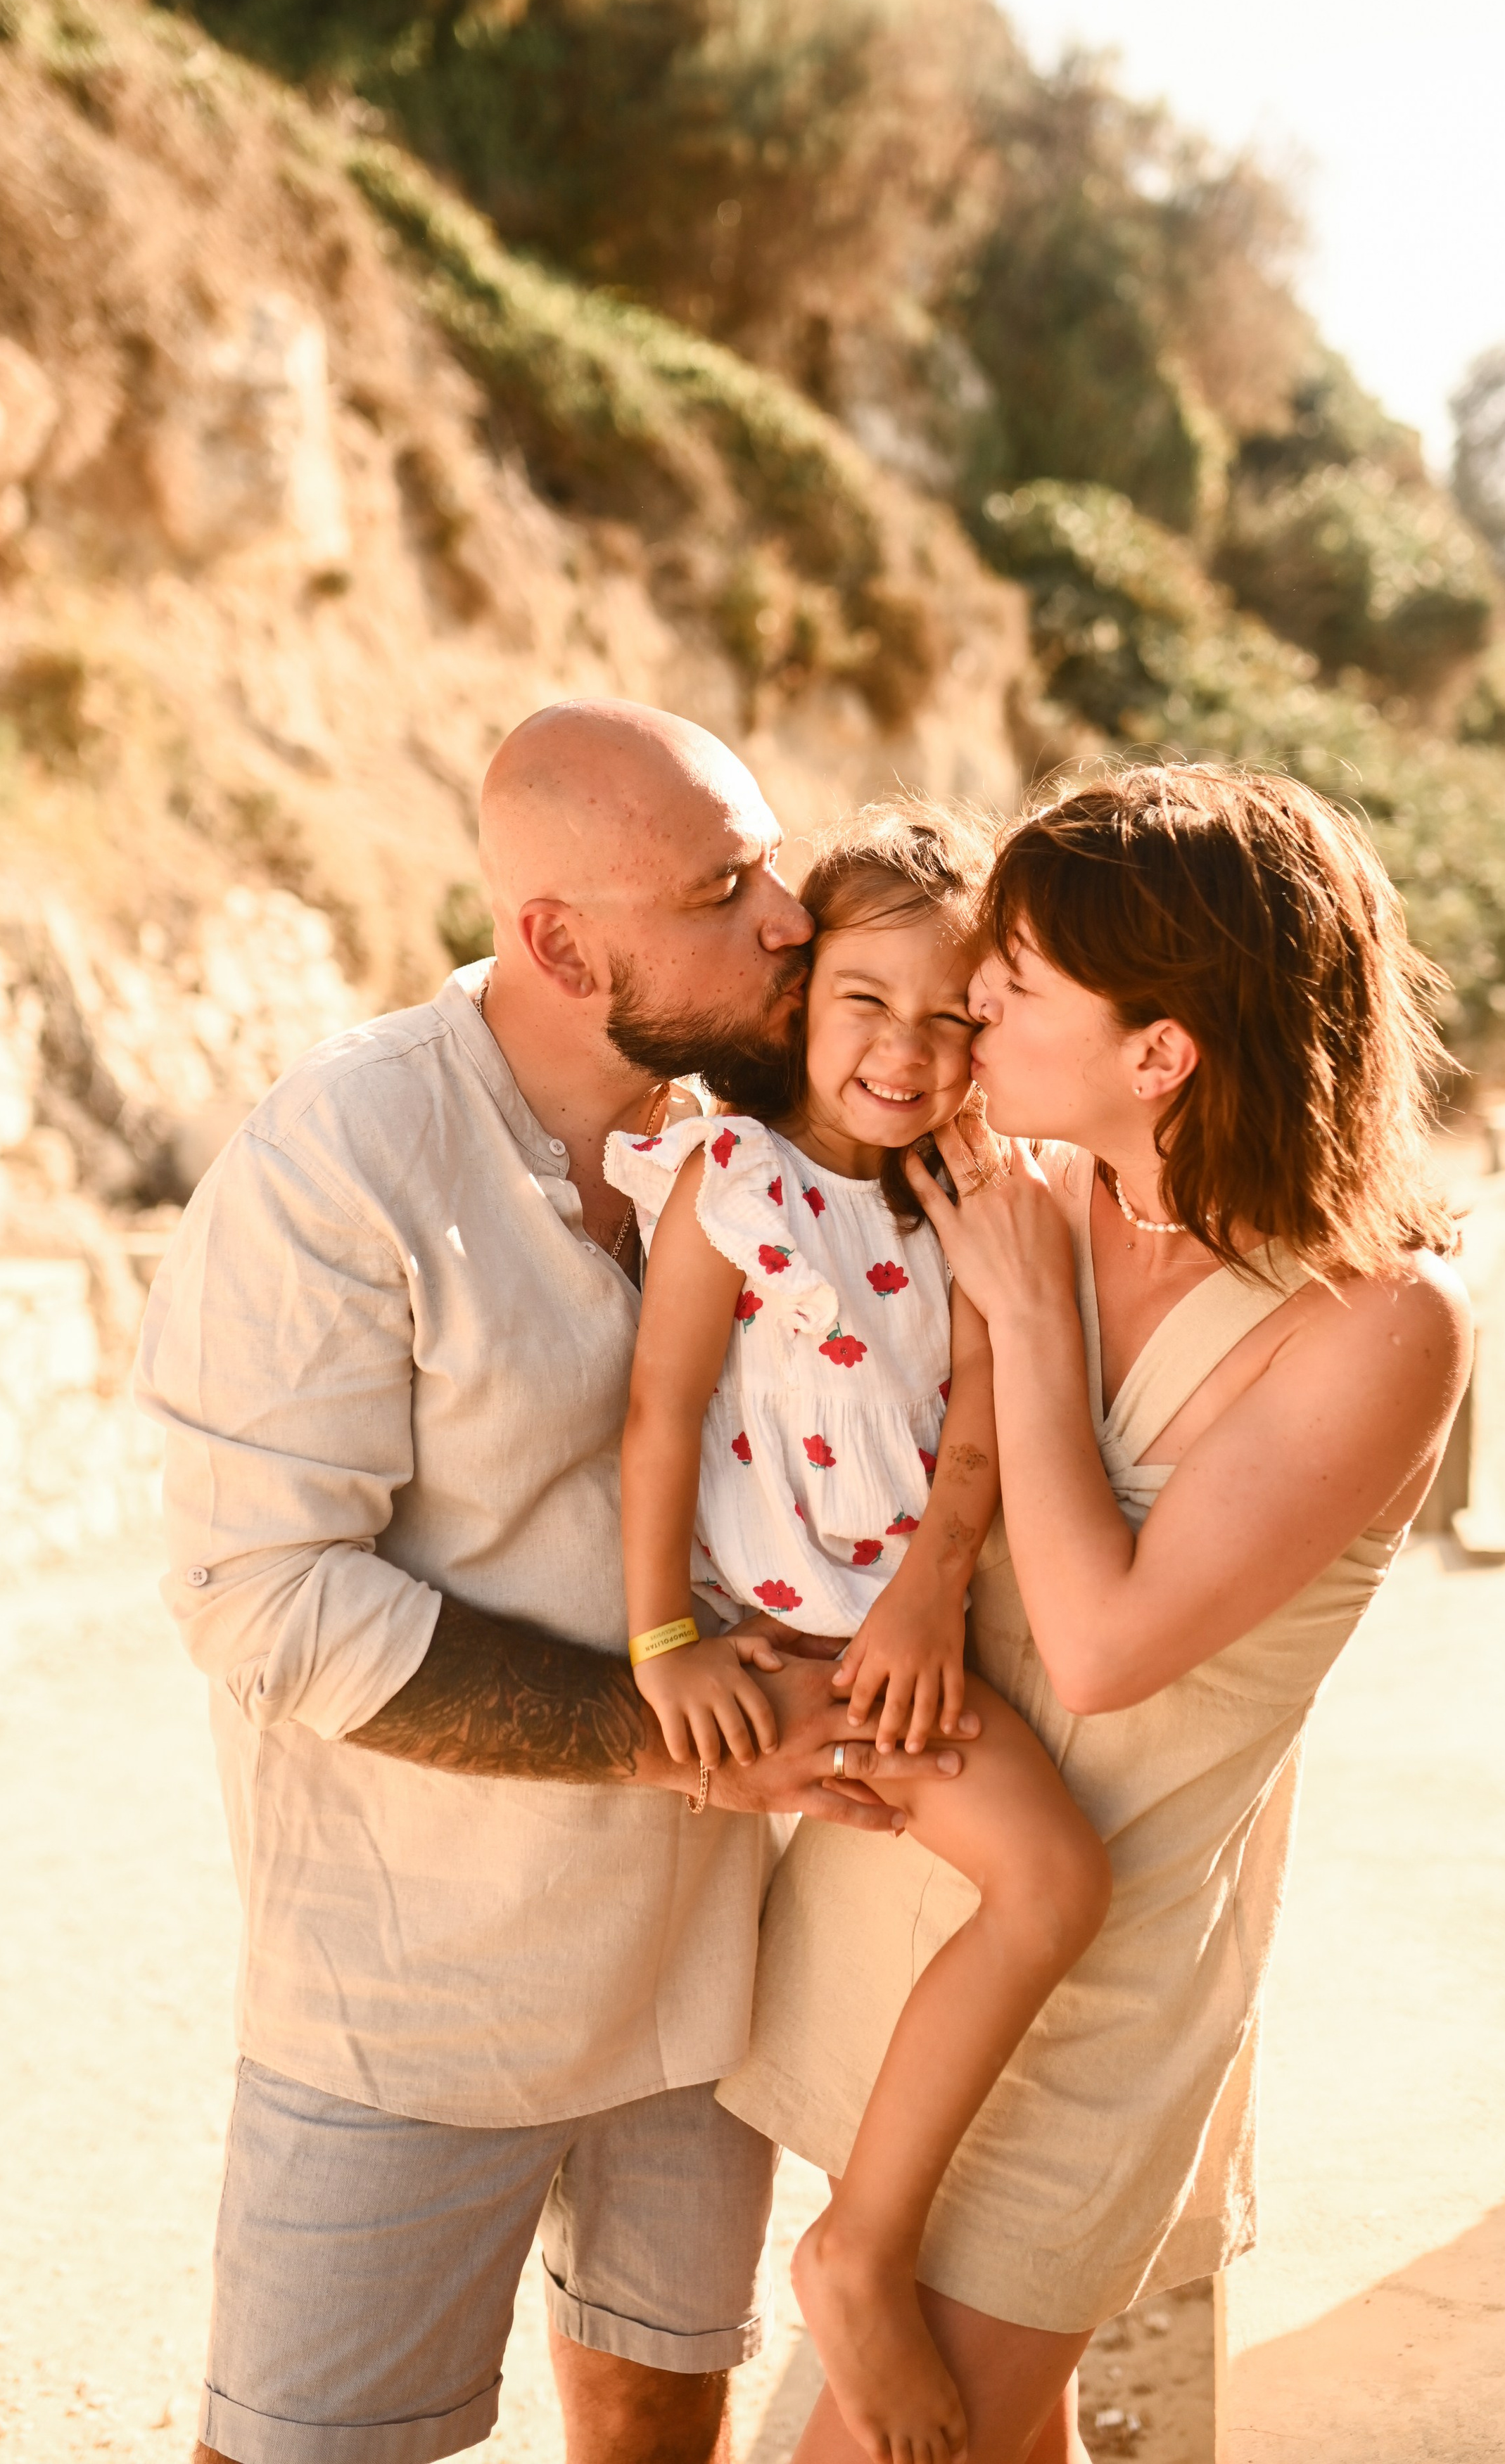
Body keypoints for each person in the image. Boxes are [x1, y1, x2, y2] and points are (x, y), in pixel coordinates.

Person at [136, 701, 968, 2464]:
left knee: (664, 2427)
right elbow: (261, 1598)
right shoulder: (338, 1161)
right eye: (723, 887)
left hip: (698, 1985)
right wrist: (664, 1735)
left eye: (769, 864)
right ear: (561, 942)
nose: (785, 921)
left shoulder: (777, 1121)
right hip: (410, 1998)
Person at [716, 762, 1473, 2464]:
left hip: (1100, 1989)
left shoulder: (1378, 1324)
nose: (968, 1017)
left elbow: (1109, 1646)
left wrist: (1037, 1346)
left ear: (1162, 1052)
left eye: (1013, 991)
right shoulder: (1034, 1195)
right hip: (907, 1894)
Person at [608, 806, 1111, 2464]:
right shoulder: (728, 1185)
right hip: (774, 1640)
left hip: (896, 1641)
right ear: (799, 998)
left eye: (956, 1015)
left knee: (1046, 1881)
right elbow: (658, 1417)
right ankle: (838, 2255)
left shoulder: (960, 1195)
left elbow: (977, 1422)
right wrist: (663, 1641)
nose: (908, 1048)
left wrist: (924, 1598)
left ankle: (867, 2236)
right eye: (865, 1003)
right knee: (1034, 1884)